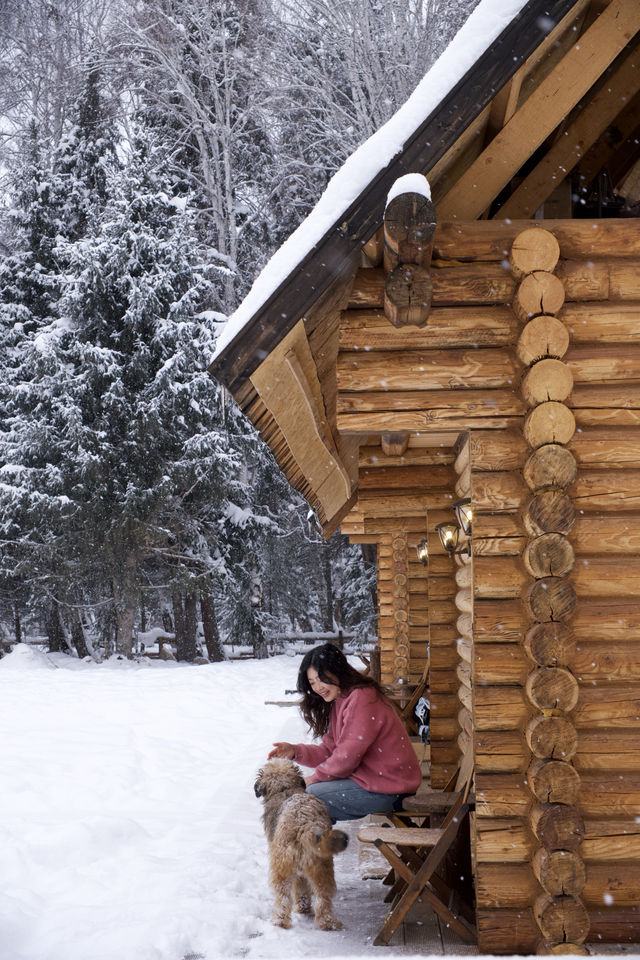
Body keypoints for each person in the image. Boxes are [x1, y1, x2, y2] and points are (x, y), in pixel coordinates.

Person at [268, 643, 422, 822]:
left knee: (308, 799)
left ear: (337, 671)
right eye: (312, 683)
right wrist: (295, 751)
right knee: (307, 807)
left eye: (322, 679)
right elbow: (329, 752)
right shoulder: (342, 700)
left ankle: (311, 847)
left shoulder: (362, 698)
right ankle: (313, 846)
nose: (318, 687)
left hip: (393, 789)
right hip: (376, 784)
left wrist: (314, 778)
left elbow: (346, 758)